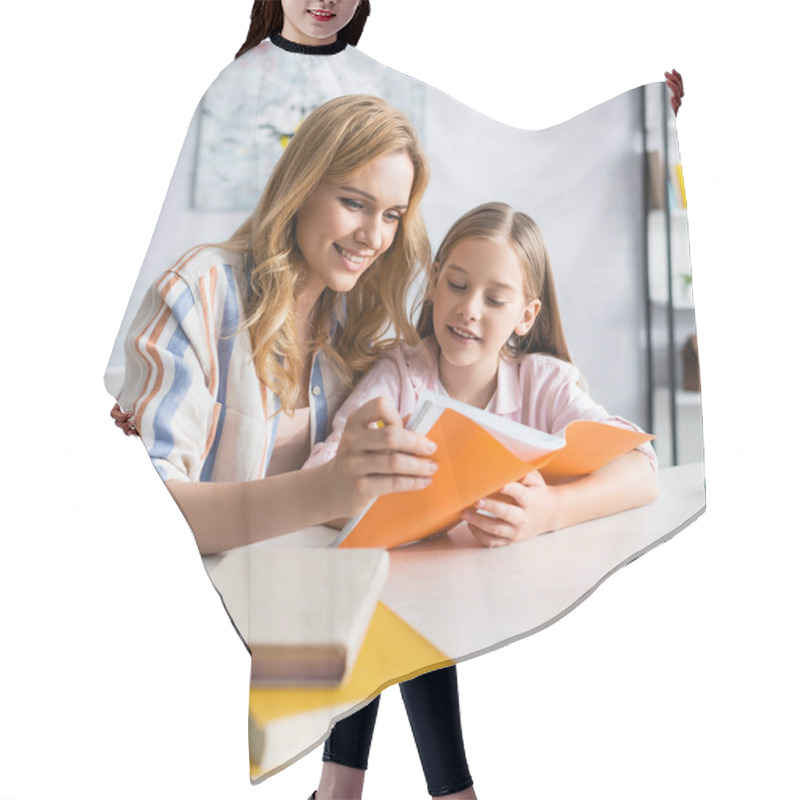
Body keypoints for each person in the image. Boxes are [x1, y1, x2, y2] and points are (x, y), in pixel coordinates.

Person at [303, 203, 660, 798]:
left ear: (526, 315)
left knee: (391, 608)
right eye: (458, 285)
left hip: (501, 595)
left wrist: (551, 512)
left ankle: (350, 789)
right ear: (436, 280)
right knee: (376, 595)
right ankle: (397, 789)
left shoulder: (545, 384)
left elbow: (642, 469)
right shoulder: (400, 374)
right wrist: (382, 478)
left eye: (495, 299)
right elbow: (322, 474)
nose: (468, 310)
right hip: (400, 590)